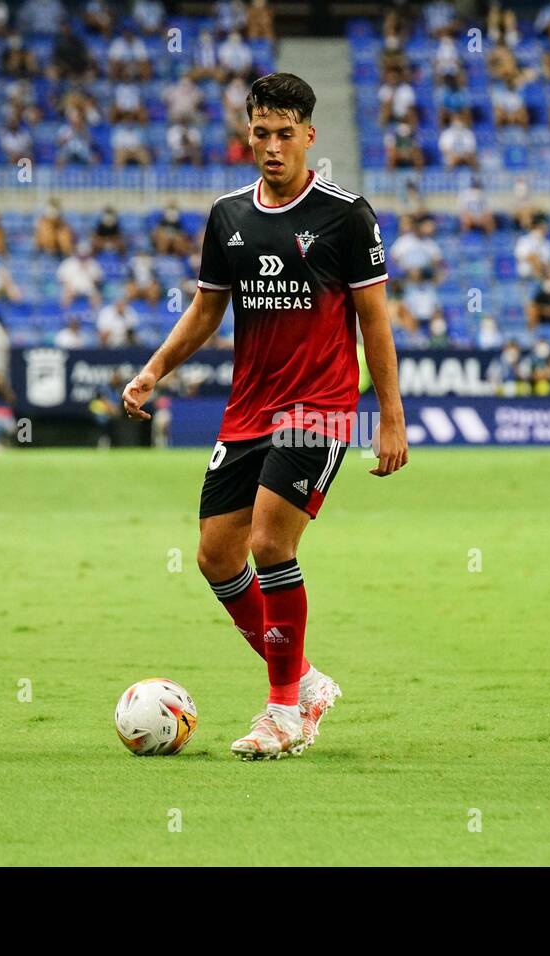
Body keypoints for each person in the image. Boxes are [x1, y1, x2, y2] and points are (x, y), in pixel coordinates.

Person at [121, 73, 408, 760]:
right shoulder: (228, 217)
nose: (273, 146)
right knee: (217, 556)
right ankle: (303, 680)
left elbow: (375, 322)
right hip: (248, 409)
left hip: (321, 408)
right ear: (247, 134)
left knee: (270, 544)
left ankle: (282, 713)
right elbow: (205, 310)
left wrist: (390, 417)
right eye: (261, 133)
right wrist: (155, 368)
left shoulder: (346, 216)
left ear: (309, 136)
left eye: (286, 134)